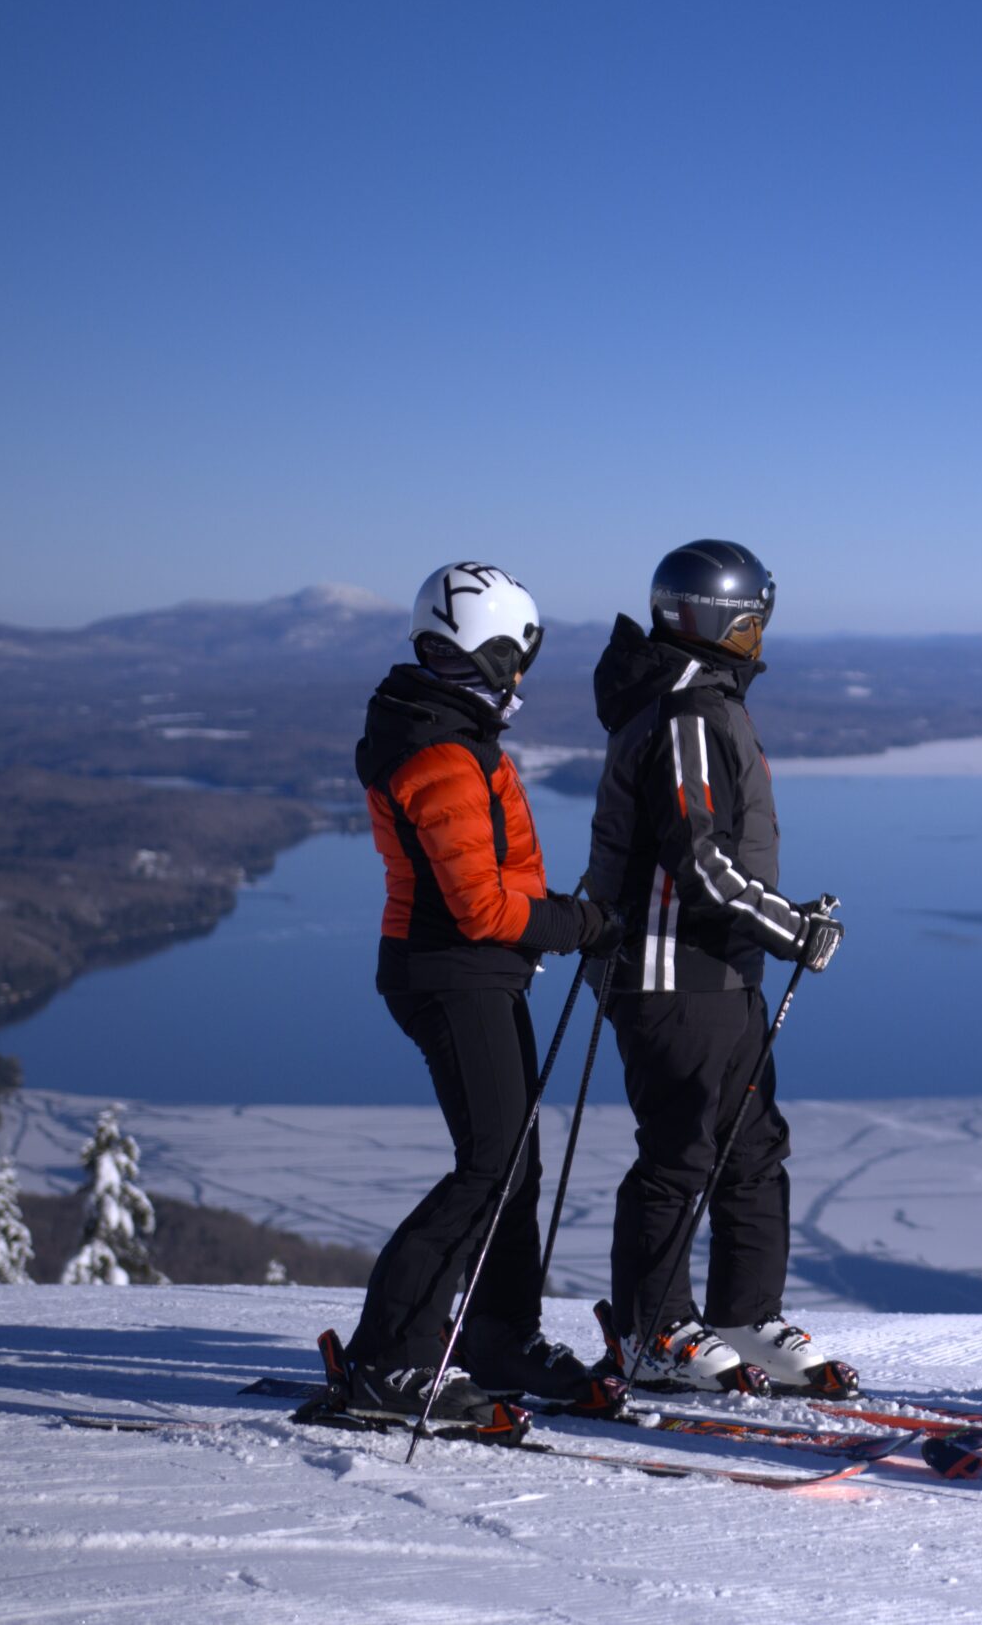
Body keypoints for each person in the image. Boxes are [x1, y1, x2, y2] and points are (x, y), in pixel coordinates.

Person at [338, 562, 617, 1429]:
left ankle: (497, 1334)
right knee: (489, 1167)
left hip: (473, 972)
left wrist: (562, 921)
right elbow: (482, 905)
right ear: (490, 652)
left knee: (512, 1166)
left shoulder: (448, 729)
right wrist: (578, 921)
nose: (523, 676)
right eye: (518, 655)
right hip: (452, 973)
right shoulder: (443, 751)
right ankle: (389, 1356)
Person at [581, 539, 849, 1397]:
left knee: (750, 1146)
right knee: (680, 1152)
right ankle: (653, 1330)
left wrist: (774, 933)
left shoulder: (703, 701)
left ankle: (742, 1314)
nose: (761, 635)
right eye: (751, 621)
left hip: (718, 973)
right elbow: (699, 861)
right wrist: (791, 927)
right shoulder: (685, 711)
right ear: (716, 622)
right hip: (669, 972)